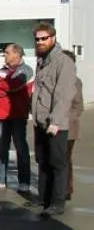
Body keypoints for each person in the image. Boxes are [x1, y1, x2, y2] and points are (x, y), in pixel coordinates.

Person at [30, 22, 76, 216]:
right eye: (37, 39)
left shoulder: (63, 62)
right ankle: (44, 198)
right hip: (40, 122)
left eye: (44, 38)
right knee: (43, 162)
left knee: (57, 164)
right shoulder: (42, 61)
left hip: (55, 124)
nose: (40, 42)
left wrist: (55, 121)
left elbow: (64, 95)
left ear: (53, 38)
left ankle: (57, 203)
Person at [0, 43, 33, 191]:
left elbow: (13, 87)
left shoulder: (26, 70)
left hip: (17, 114)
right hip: (2, 114)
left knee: (20, 147)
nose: (4, 55)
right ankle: (0, 179)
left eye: (7, 52)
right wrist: (1, 86)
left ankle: (24, 181)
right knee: (2, 148)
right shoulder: (2, 70)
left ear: (17, 54)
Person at [63, 50, 83, 201]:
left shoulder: (75, 81)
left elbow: (78, 106)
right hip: (56, 125)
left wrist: (66, 119)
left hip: (68, 127)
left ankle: (67, 188)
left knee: (65, 158)